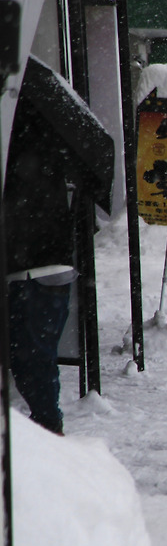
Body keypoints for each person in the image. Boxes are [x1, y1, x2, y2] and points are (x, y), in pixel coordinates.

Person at [4, 112, 77, 435]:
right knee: (39, 353)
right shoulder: (53, 145)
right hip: (56, 266)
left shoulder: (14, 152)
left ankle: (48, 426)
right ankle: (47, 422)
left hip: (27, 270)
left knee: (29, 356)